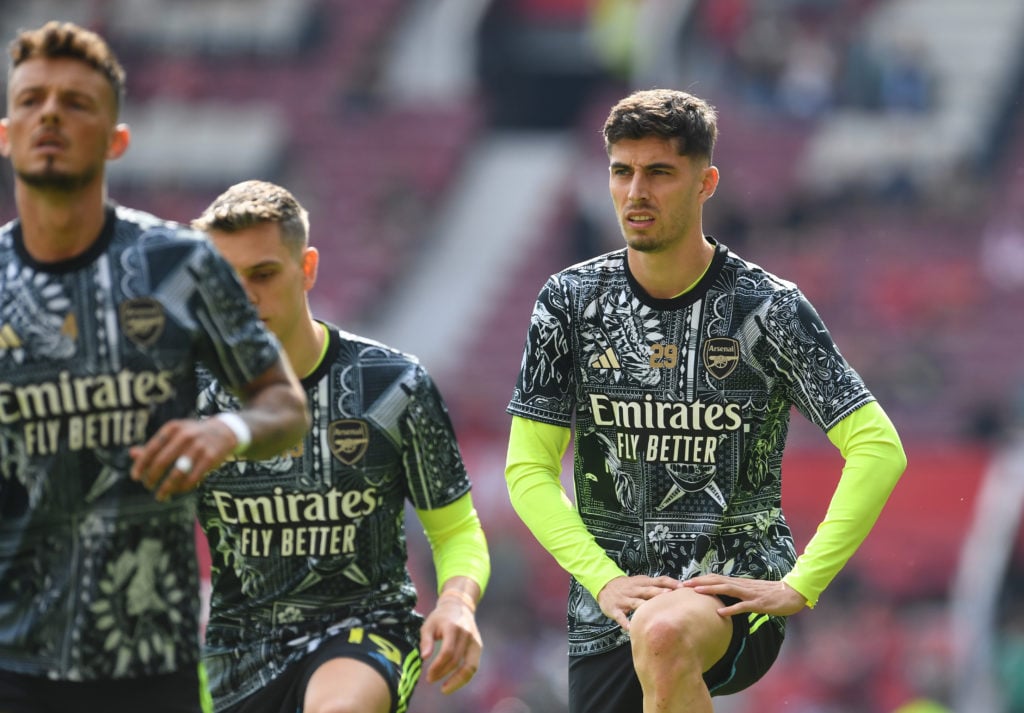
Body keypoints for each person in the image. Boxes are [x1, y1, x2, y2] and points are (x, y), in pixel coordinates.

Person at [504, 88, 907, 713]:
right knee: (653, 633)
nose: (636, 192)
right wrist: (604, 579)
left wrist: (803, 583)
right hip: (610, 598)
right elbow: (527, 470)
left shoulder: (766, 308)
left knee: (664, 635)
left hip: (733, 586)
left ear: (705, 182)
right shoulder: (569, 303)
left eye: (660, 172)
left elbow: (878, 449)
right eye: (622, 171)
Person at [0, 21, 309, 713]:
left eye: (76, 102)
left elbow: (284, 406)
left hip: (150, 663)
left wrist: (225, 430)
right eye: (31, 100)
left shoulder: (179, 264)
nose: (49, 114)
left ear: (116, 140)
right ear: (6, 131)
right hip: (12, 661)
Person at [191, 180, 490, 713]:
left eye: (263, 274)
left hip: (365, 632)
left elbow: (456, 529)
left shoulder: (392, 385)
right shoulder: (188, 394)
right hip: (234, 653)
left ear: (306, 268)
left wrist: (456, 602)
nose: (245, 299)